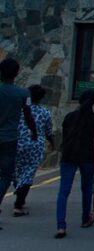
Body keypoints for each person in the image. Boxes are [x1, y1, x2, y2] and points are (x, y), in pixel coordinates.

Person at [54, 89, 94, 238]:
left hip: (68, 155)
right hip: (86, 155)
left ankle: (61, 226)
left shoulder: (69, 117)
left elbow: (64, 137)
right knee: (86, 188)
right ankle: (85, 218)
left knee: (64, 191)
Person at [0, 58, 37, 232]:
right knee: (5, 175)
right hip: (9, 139)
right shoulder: (23, 94)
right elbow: (28, 115)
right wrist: (34, 132)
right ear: (17, 73)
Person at [12, 84, 55, 215]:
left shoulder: (18, 110)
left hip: (17, 143)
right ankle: (19, 202)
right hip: (35, 145)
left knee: (16, 171)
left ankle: (19, 194)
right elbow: (48, 131)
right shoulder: (45, 112)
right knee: (28, 172)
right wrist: (52, 144)